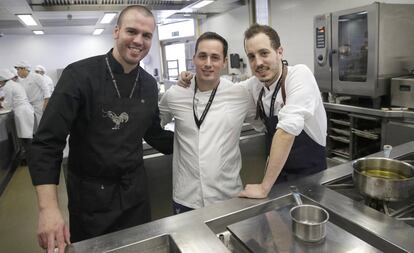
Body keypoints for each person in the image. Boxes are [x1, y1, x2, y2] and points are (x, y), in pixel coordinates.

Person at [28, 5, 174, 253]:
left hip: (134, 194)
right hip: (91, 198)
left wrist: (196, 140)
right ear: (116, 32)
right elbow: (46, 145)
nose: (138, 40)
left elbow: (153, 133)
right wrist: (48, 209)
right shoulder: (79, 76)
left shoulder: (149, 85)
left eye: (146, 35)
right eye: (132, 31)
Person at [180, 24, 327, 199]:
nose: (258, 63)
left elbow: (286, 133)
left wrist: (264, 188)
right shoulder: (255, 86)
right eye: (251, 56)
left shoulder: (299, 75)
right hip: (278, 176)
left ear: (279, 52)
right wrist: (190, 80)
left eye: (264, 53)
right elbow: (221, 90)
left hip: (311, 176)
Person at [159, 32, 258, 213]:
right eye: (202, 56)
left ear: (224, 62)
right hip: (186, 197)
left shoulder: (240, 95)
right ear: (194, 58)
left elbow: (262, 123)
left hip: (228, 195)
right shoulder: (175, 94)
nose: (208, 64)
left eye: (215, 57)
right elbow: (156, 122)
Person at [0, 69, 35, 156]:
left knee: (26, 137)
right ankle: (30, 155)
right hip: (26, 110)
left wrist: (1, 103)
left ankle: (30, 156)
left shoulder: (7, 87)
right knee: (28, 135)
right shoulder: (14, 84)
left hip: (22, 112)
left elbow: (8, 104)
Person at [14, 60, 50, 131]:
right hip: (31, 106)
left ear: (24, 69)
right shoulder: (22, 81)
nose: (17, 72)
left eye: (18, 70)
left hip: (40, 105)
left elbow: (46, 91)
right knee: (35, 126)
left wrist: (45, 105)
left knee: (42, 124)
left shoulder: (36, 76)